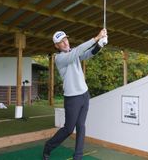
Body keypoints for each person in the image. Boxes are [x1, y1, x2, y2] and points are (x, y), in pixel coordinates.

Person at [43, 29, 108, 160]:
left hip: (84, 95)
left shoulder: (73, 52)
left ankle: (78, 156)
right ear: (57, 46)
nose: (65, 43)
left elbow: (88, 54)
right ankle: (48, 147)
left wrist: (100, 45)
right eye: (61, 42)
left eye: (65, 39)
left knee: (81, 127)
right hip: (72, 98)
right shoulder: (60, 58)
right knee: (68, 129)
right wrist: (96, 38)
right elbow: (78, 51)